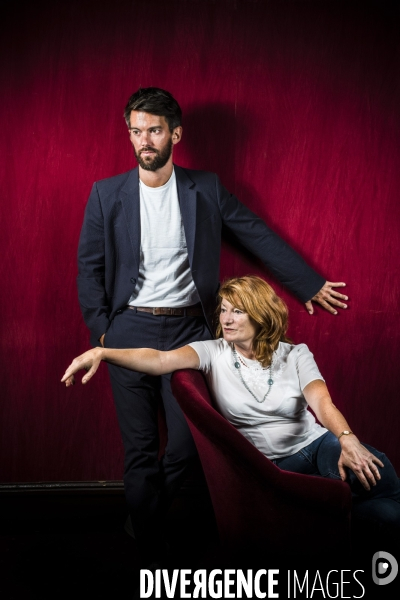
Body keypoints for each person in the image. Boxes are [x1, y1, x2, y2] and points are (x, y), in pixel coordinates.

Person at [76, 86, 349, 563]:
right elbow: (88, 267)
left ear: (175, 135)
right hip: (129, 330)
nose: (144, 140)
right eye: (136, 131)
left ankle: (144, 515)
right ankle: (147, 542)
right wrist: (104, 331)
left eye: (154, 131)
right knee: (139, 448)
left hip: (189, 333)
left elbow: (255, 233)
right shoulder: (106, 194)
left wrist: (307, 284)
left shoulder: (205, 188)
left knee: (185, 444)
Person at [63, 275, 400, 552]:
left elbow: (322, 402)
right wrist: (103, 352)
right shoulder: (212, 352)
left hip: (317, 444)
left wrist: (347, 439)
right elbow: (159, 359)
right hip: (271, 465)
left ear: (261, 315)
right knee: (374, 511)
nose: (226, 319)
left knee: (377, 479)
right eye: (224, 310)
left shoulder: (295, 354)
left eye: (238, 311)